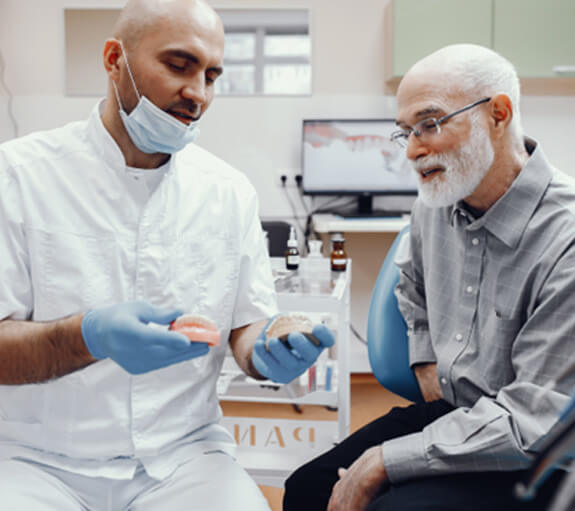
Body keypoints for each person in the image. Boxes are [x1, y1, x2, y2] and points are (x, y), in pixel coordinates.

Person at [0, 0, 333, 509]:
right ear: (115, 59)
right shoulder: (18, 177)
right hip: (35, 460)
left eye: (212, 75)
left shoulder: (228, 192)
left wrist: (268, 349)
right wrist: (85, 336)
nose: (197, 93)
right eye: (179, 65)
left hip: (184, 458)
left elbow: (247, 324)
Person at [283, 43, 575, 511]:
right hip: (456, 416)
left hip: (535, 450)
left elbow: (533, 420)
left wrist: (387, 459)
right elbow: (411, 287)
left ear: (498, 115)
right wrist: (424, 360)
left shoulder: (566, 240)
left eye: (430, 124)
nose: (413, 150)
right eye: (405, 133)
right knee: (307, 490)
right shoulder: (434, 204)